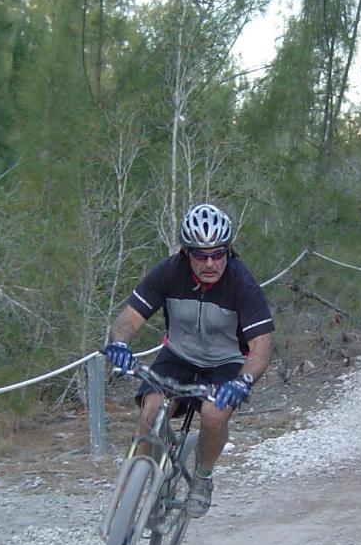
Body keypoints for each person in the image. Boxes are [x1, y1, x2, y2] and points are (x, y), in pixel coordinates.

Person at [102, 202, 274, 519]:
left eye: (218, 254)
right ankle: (129, 497)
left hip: (224, 364)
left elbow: (261, 345)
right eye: (200, 255)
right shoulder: (169, 272)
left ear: (229, 251)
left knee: (213, 413)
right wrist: (120, 345)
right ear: (186, 252)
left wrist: (244, 379)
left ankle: (203, 477)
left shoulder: (241, 283)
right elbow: (128, 319)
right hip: (178, 355)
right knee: (151, 412)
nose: (210, 263)